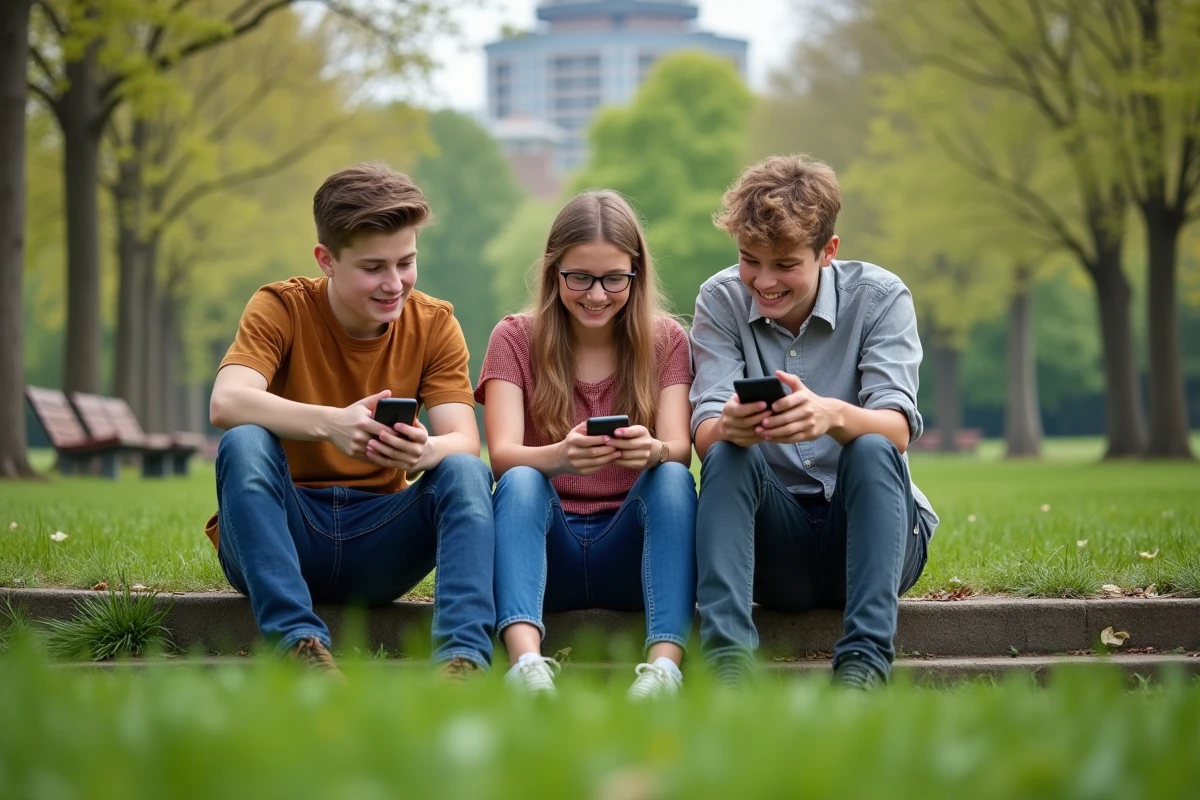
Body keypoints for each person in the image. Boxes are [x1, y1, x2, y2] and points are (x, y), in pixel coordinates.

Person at [205, 162, 496, 678]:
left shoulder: (434, 323)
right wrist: (332, 423)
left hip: (381, 539)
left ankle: (462, 660)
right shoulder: (280, 307)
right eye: (373, 267)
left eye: (406, 262)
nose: (394, 284)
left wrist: (424, 451)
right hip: (282, 531)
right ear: (326, 260)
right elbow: (227, 402)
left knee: (465, 471)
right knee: (245, 441)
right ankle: (299, 645)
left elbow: (464, 440)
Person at [689, 155, 939, 689]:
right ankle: (728, 668)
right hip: (779, 549)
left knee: (871, 446)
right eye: (749, 260)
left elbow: (897, 428)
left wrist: (830, 415)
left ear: (828, 252)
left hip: (876, 536)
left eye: (785, 264)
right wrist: (730, 426)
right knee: (730, 453)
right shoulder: (720, 300)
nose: (763, 280)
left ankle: (864, 666)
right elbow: (705, 435)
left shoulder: (881, 297)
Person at [477, 190, 697, 698]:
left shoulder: (666, 341)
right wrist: (559, 457)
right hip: (544, 552)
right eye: (580, 277)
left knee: (671, 477)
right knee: (523, 479)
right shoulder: (514, 338)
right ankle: (526, 665)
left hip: (629, 550)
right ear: (555, 272)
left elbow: (679, 447)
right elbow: (502, 456)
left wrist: (653, 450)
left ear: (635, 275)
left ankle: (664, 668)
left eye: (614, 278)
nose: (596, 295)